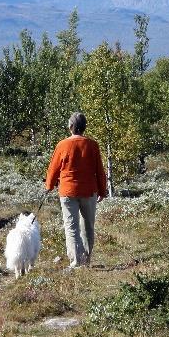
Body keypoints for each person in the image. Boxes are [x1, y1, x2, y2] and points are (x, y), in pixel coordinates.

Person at [44, 112, 107, 268]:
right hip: (89, 191)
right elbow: (99, 170)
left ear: (71, 127)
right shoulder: (92, 145)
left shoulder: (62, 145)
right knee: (88, 226)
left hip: (67, 191)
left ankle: (76, 261)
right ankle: (86, 260)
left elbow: (53, 169)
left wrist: (49, 185)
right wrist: (102, 190)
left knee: (71, 226)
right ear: (84, 127)